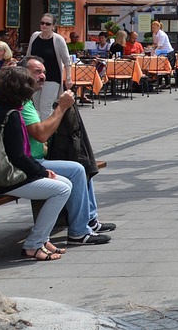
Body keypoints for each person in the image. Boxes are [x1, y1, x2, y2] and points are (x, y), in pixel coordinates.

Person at [0, 66, 72, 262]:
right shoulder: (12, 116)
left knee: (65, 183)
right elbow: (18, 156)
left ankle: (42, 238)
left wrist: (41, 171)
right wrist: (41, 172)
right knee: (61, 189)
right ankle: (33, 244)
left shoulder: (1, 110)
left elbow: (18, 155)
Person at [19, 58, 112, 245]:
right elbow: (41, 134)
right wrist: (61, 107)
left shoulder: (25, 100)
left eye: (43, 71)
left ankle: (89, 220)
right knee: (77, 169)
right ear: (22, 73)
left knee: (82, 162)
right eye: (36, 72)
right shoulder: (21, 103)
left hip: (32, 159)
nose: (42, 76)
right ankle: (78, 230)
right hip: (25, 165)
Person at [27, 13, 71, 119]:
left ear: (53, 26)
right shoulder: (34, 36)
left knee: (45, 107)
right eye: (42, 23)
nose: (44, 26)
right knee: (36, 106)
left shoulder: (58, 39)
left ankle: (45, 133)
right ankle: (41, 129)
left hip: (52, 77)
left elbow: (66, 60)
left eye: (47, 24)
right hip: (35, 78)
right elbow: (28, 56)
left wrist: (68, 77)